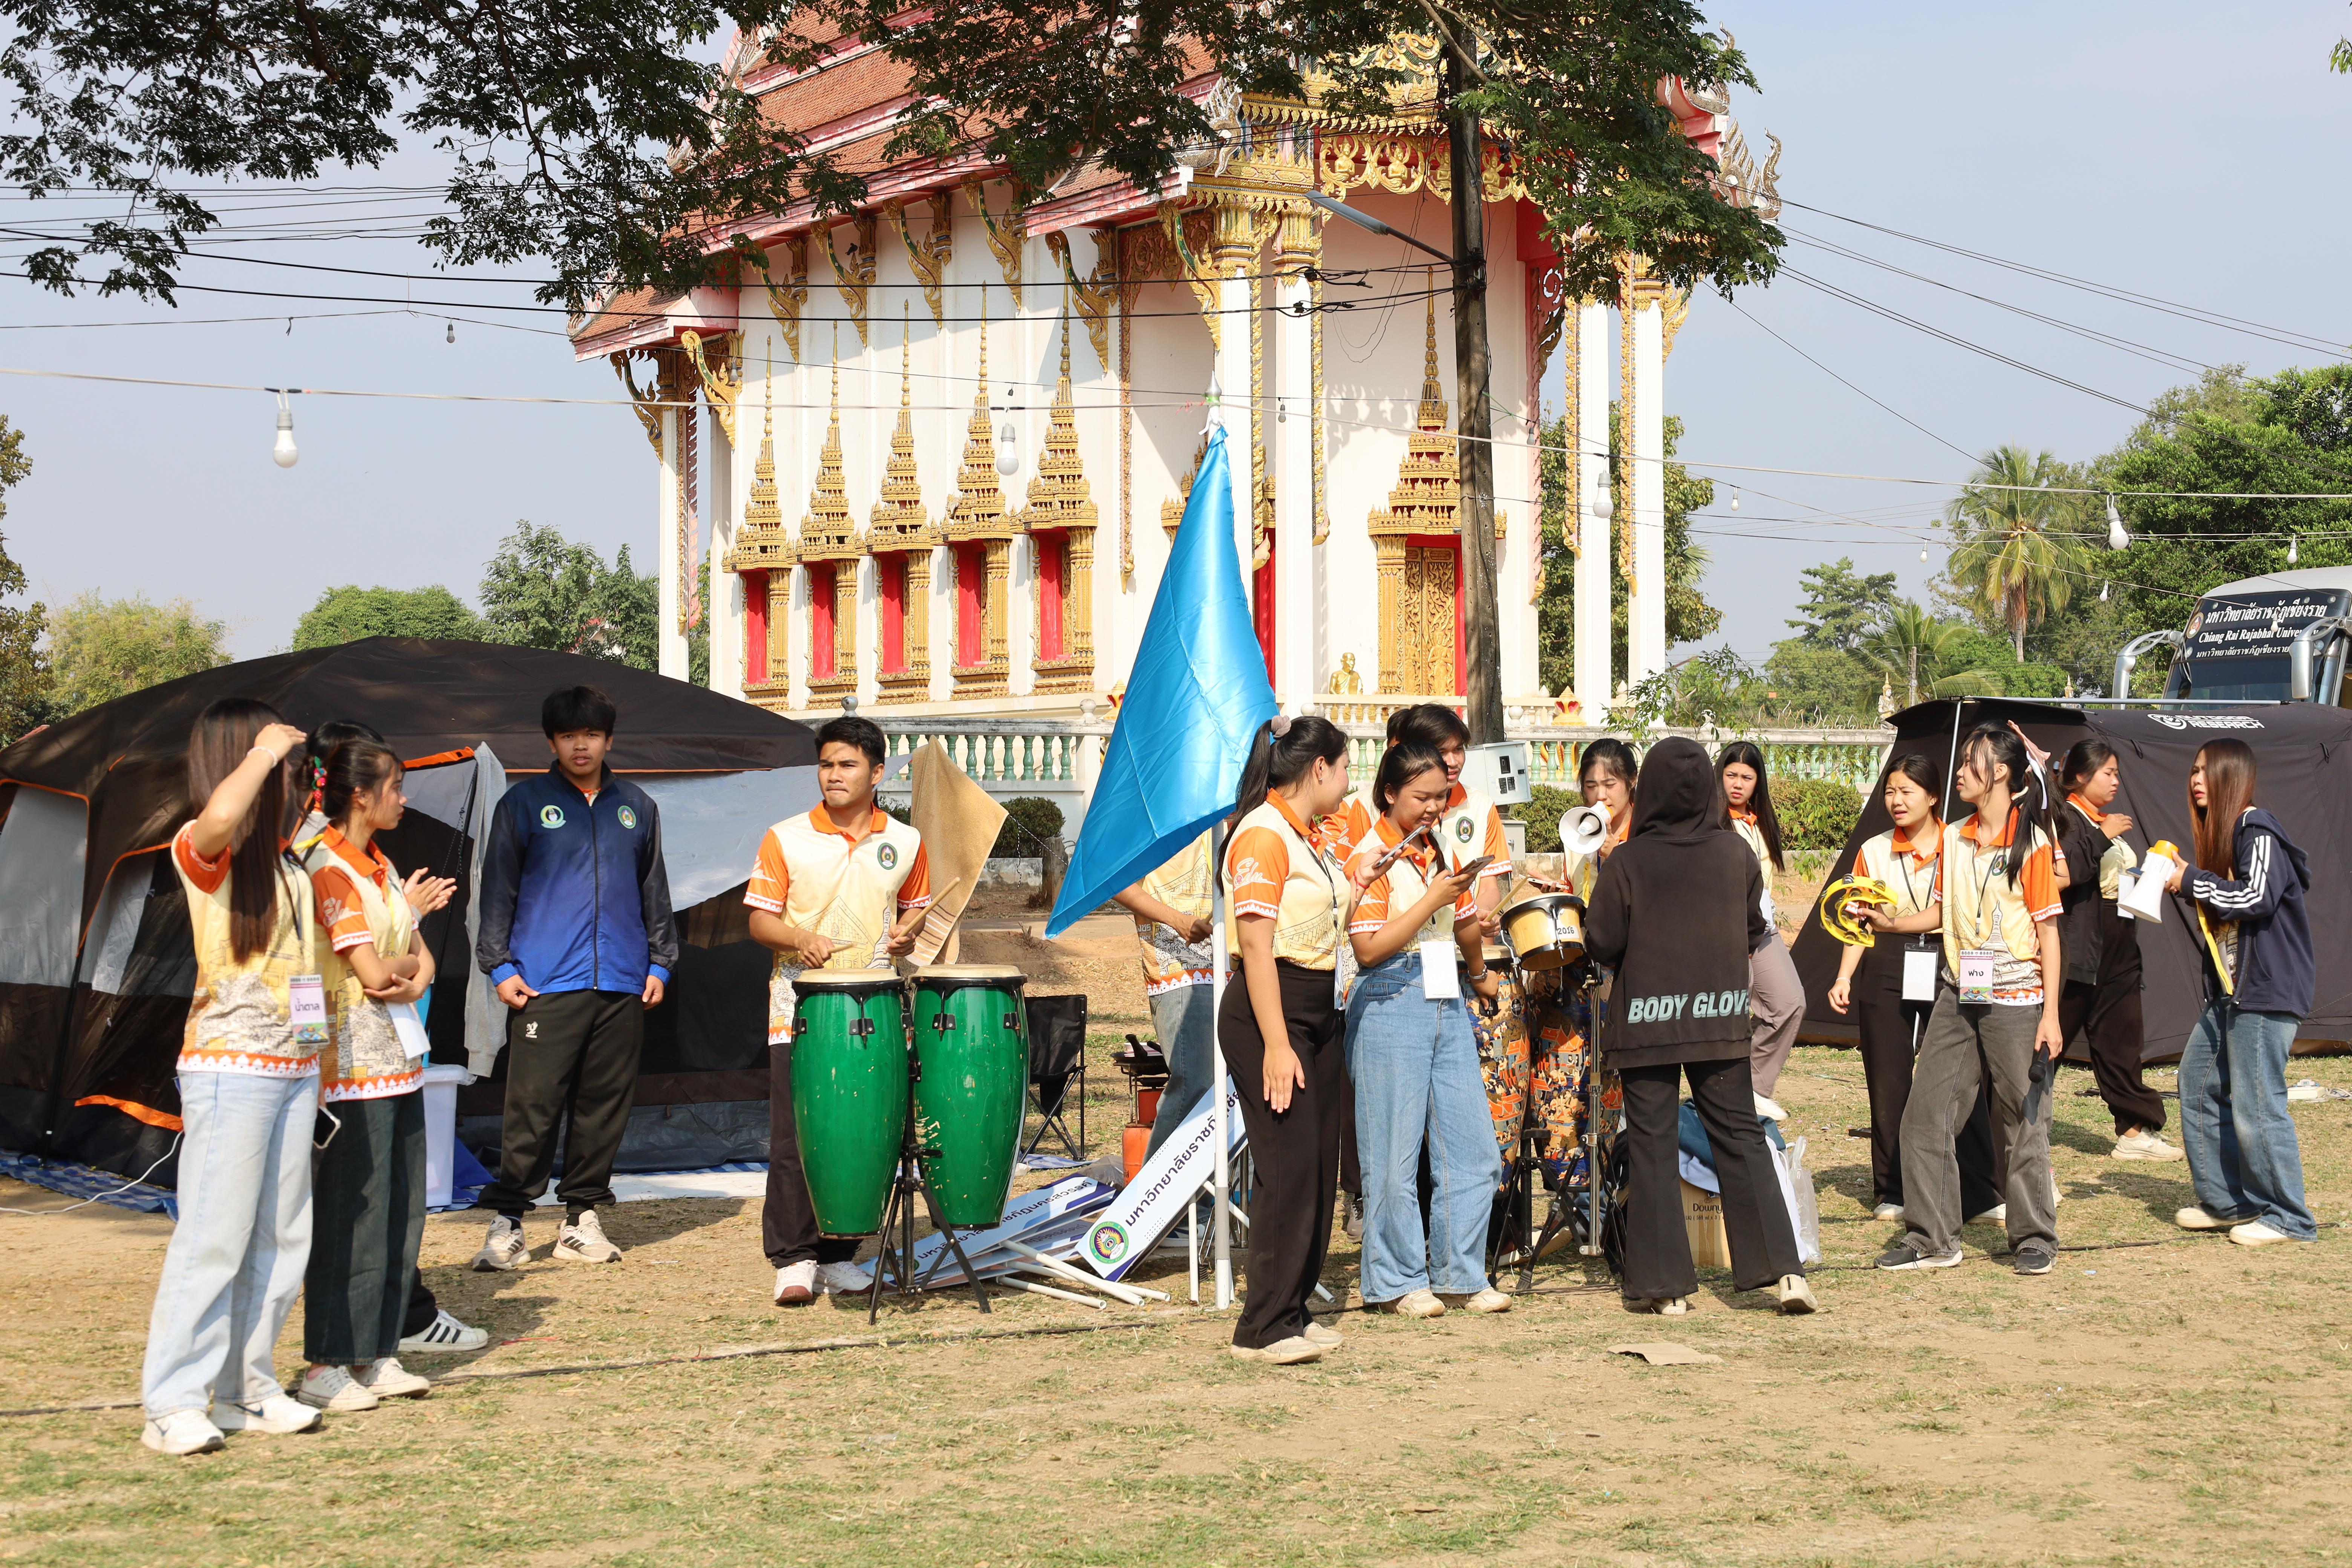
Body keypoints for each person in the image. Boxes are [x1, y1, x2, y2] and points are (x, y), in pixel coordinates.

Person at [139, 701, 326, 1456]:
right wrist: (264, 750)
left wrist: (318, 1060)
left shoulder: (288, 867)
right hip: (230, 1069)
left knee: (282, 1238)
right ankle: (173, 1402)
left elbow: (306, 973)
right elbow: (218, 822)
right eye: (283, 765)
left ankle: (247, 1388)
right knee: (214, 1236)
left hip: (294, 1071)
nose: (291, 778)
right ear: (239, 759)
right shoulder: (201, 848)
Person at [1583, 736, 1815, 1316]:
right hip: (1717, 1016)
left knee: (1655, 1146)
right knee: (1739, 1137)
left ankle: (1666, 1290)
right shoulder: (1735, 854)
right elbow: (1750, 926)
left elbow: (1602, 941)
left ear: (1650, 789)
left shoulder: (1630, 859)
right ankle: (1785, 1272)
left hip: (1648, 1021)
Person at [294, 720, 489, 1356]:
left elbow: (418, 961)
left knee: (400, 1211)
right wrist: (402, 965)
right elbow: (380, 973)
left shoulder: (379, 864)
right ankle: (337, 1357)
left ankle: (382, 1347)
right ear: (359, 794)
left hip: (398, 1060)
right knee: (358, 1214)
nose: (403, 799)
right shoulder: (325, 866)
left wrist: (407, 965)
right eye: (396, 787)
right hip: (348, 1065)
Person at [471, 687, 677, 1271]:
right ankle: (509, 1222)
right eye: (567, 735)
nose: (579, 745)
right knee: (532, 1105)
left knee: (603, 1105)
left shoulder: (636, 805)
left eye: (590, 734)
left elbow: (654, 892)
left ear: (609, 740)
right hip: (543, 981)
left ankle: (580, 1219)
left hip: (621, 980)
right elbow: (498, 892)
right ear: (552, 742)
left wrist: (661, 962)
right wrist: (500, 964)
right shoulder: (524, 804)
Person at [744, 714, 931, 1305]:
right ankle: (794, 1258)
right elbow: (758, 919)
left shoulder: (906, 842)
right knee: (796, 1136)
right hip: (798, 1009)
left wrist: (906, 933)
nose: (833, 775)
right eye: (826, 764)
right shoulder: (785, 836)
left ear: (877, 772)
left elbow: (918, 908)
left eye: (847, 764)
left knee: (863, 1135)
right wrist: (798, 938)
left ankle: (841, 1254)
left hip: (873, 1014)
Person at [1873, 723, 2064, 1277]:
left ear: (2000, 772)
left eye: (1969, 764)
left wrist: (2050, 1014)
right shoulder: (1954, 839)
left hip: (2018, 999)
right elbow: (1942, 912)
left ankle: (2033, 1236)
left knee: (2022, 1121)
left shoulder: (2032, 844)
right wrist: (1891, 924)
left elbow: (2049, 934)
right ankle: (1932, 1237)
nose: (1957, 772)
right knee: (1925, 1113)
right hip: (1961, 992)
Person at [1342, 742, 1506, 1319]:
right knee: (1393, 1153)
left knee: (1473, 1149)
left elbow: (1462, 922)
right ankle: (1395, 1281)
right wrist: (1434, 899)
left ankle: (1461, 1273)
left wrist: (1482, 972)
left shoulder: (1438, 847)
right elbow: (1366, 947)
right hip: (1389, 993)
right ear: (1389, 793)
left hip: (1446, 991)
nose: (1436, 806)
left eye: (1441, 795)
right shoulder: (1372, 854)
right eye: (1422, 797)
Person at [1220, 714, 1352, 1366]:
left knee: (1317, 1163)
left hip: (1320, 1009)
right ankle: (1263, 1325)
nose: (1351, 781)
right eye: (1347, 767)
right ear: (1319, 768)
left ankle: (1295, 1307)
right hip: (1271, 1012)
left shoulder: (1309, 837)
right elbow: (1255, 944)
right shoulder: (1262, 835)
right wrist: (1277, 1043)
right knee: (1287, 1163)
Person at [1825, 754, 2002, 1223]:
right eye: (1890, 791)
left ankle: (1982, 1191)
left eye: (1906, 791)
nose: (1896, 800)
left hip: (1958, 956)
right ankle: (1893, 1189)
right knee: (1888, 1076)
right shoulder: (1874, 848)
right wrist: (1844, 976)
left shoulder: (1963, 841)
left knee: (1968, 1073)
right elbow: (1858, 919)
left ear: (1933, 795)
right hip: (1888, 959)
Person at [2165, 739, 2317, 1246]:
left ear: (2235, 776)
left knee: (2257, 1101)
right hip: (2232, 993)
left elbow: (2255, 897)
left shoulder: (2257, 826)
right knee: (2198, 1082)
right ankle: (2230, 1202)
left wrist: (2190, 880)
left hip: (2266, 993)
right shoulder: (2229, 836)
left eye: (2207, 771)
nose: (2196, 780)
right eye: (2193, 771)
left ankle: (2289, 1218)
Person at [2053, 740, 2176, 1161]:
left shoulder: (2105, 819)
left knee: (2122, 1037)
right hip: (2081, 941)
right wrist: (2101, 836)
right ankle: (2016, 1127)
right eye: (2108, 772)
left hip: (2121, 939)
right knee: (2049, 1040)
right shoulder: (2064, 817)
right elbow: (2064, 874)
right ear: (2082, 775)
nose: (2116, 780)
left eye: (2118, 773)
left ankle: (2134, 1130)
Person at [1112, 831, 1216, 1158]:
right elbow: (1115, 880)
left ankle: (1214, 1202)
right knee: (1193, 1085)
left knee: (1224, 1091)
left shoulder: (1215, 801)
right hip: (1177, 969)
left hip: (1226, 964)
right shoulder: (1151, 805)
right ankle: (1152, 1202)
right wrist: (1180, 921)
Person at [1717, 741, 1806, 1109]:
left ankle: (1753, 1089)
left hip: (1763, 930)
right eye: (1731, 775)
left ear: (1758, 782)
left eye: (1747, 777)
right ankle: (1725, 1097)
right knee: (1731, 1018)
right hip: (1724, 935)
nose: (1738, 784)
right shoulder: (1708, 824)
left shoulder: (1760, 823)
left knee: (1790, 1002)